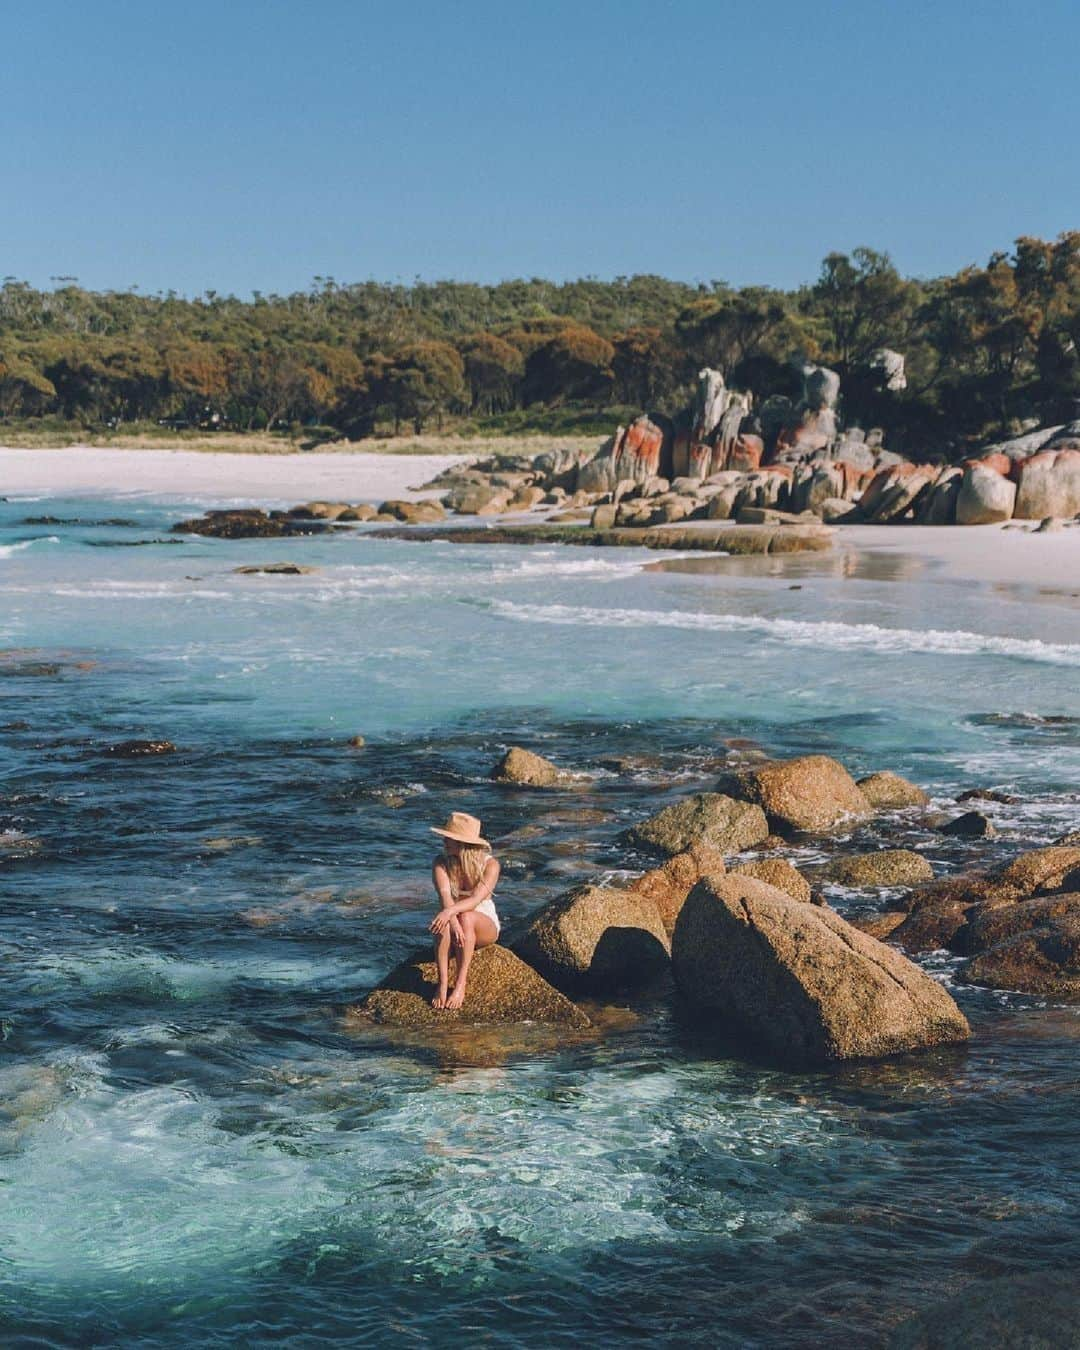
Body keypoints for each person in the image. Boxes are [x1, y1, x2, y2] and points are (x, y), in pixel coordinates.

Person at [428, 812, 501, 1010]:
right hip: (453, 919)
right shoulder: (440, 862)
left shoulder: (491, 865)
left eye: (449, 838)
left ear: (462, 843)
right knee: (442, 925)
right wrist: (450, 918)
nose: (444, 841)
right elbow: (445, 897)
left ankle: (460, 985)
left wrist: (450, 913)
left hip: (482, 922)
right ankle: (442, 984)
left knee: (466, 916)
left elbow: (476, 899)